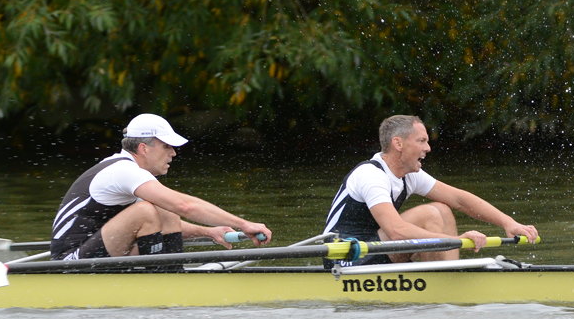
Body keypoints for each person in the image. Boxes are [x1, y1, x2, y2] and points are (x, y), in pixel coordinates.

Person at [51, 113, 272, 261]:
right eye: (167, 146)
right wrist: (243, 224)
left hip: (98, 252)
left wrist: (208, 232)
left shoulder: (130, 174)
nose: (173, 153)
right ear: (143, 148)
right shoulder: (122, 171)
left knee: (162, 208)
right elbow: (185, 206)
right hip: (69, 263)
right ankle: (165, 278)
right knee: (149, 209)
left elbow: (171, 216)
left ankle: (170, 274)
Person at [324, 114, 538, 266]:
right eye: (421, 141)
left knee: (442, 208)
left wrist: (508, 222)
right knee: (430, 214)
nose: (428, 148)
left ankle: (448, 274)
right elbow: (397, 231)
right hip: (346, 258)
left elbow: (460, 200)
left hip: (376, 250)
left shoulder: (410, 175)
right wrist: (457, 241)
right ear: (398, 143)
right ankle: (444, 281)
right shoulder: (371, 175)